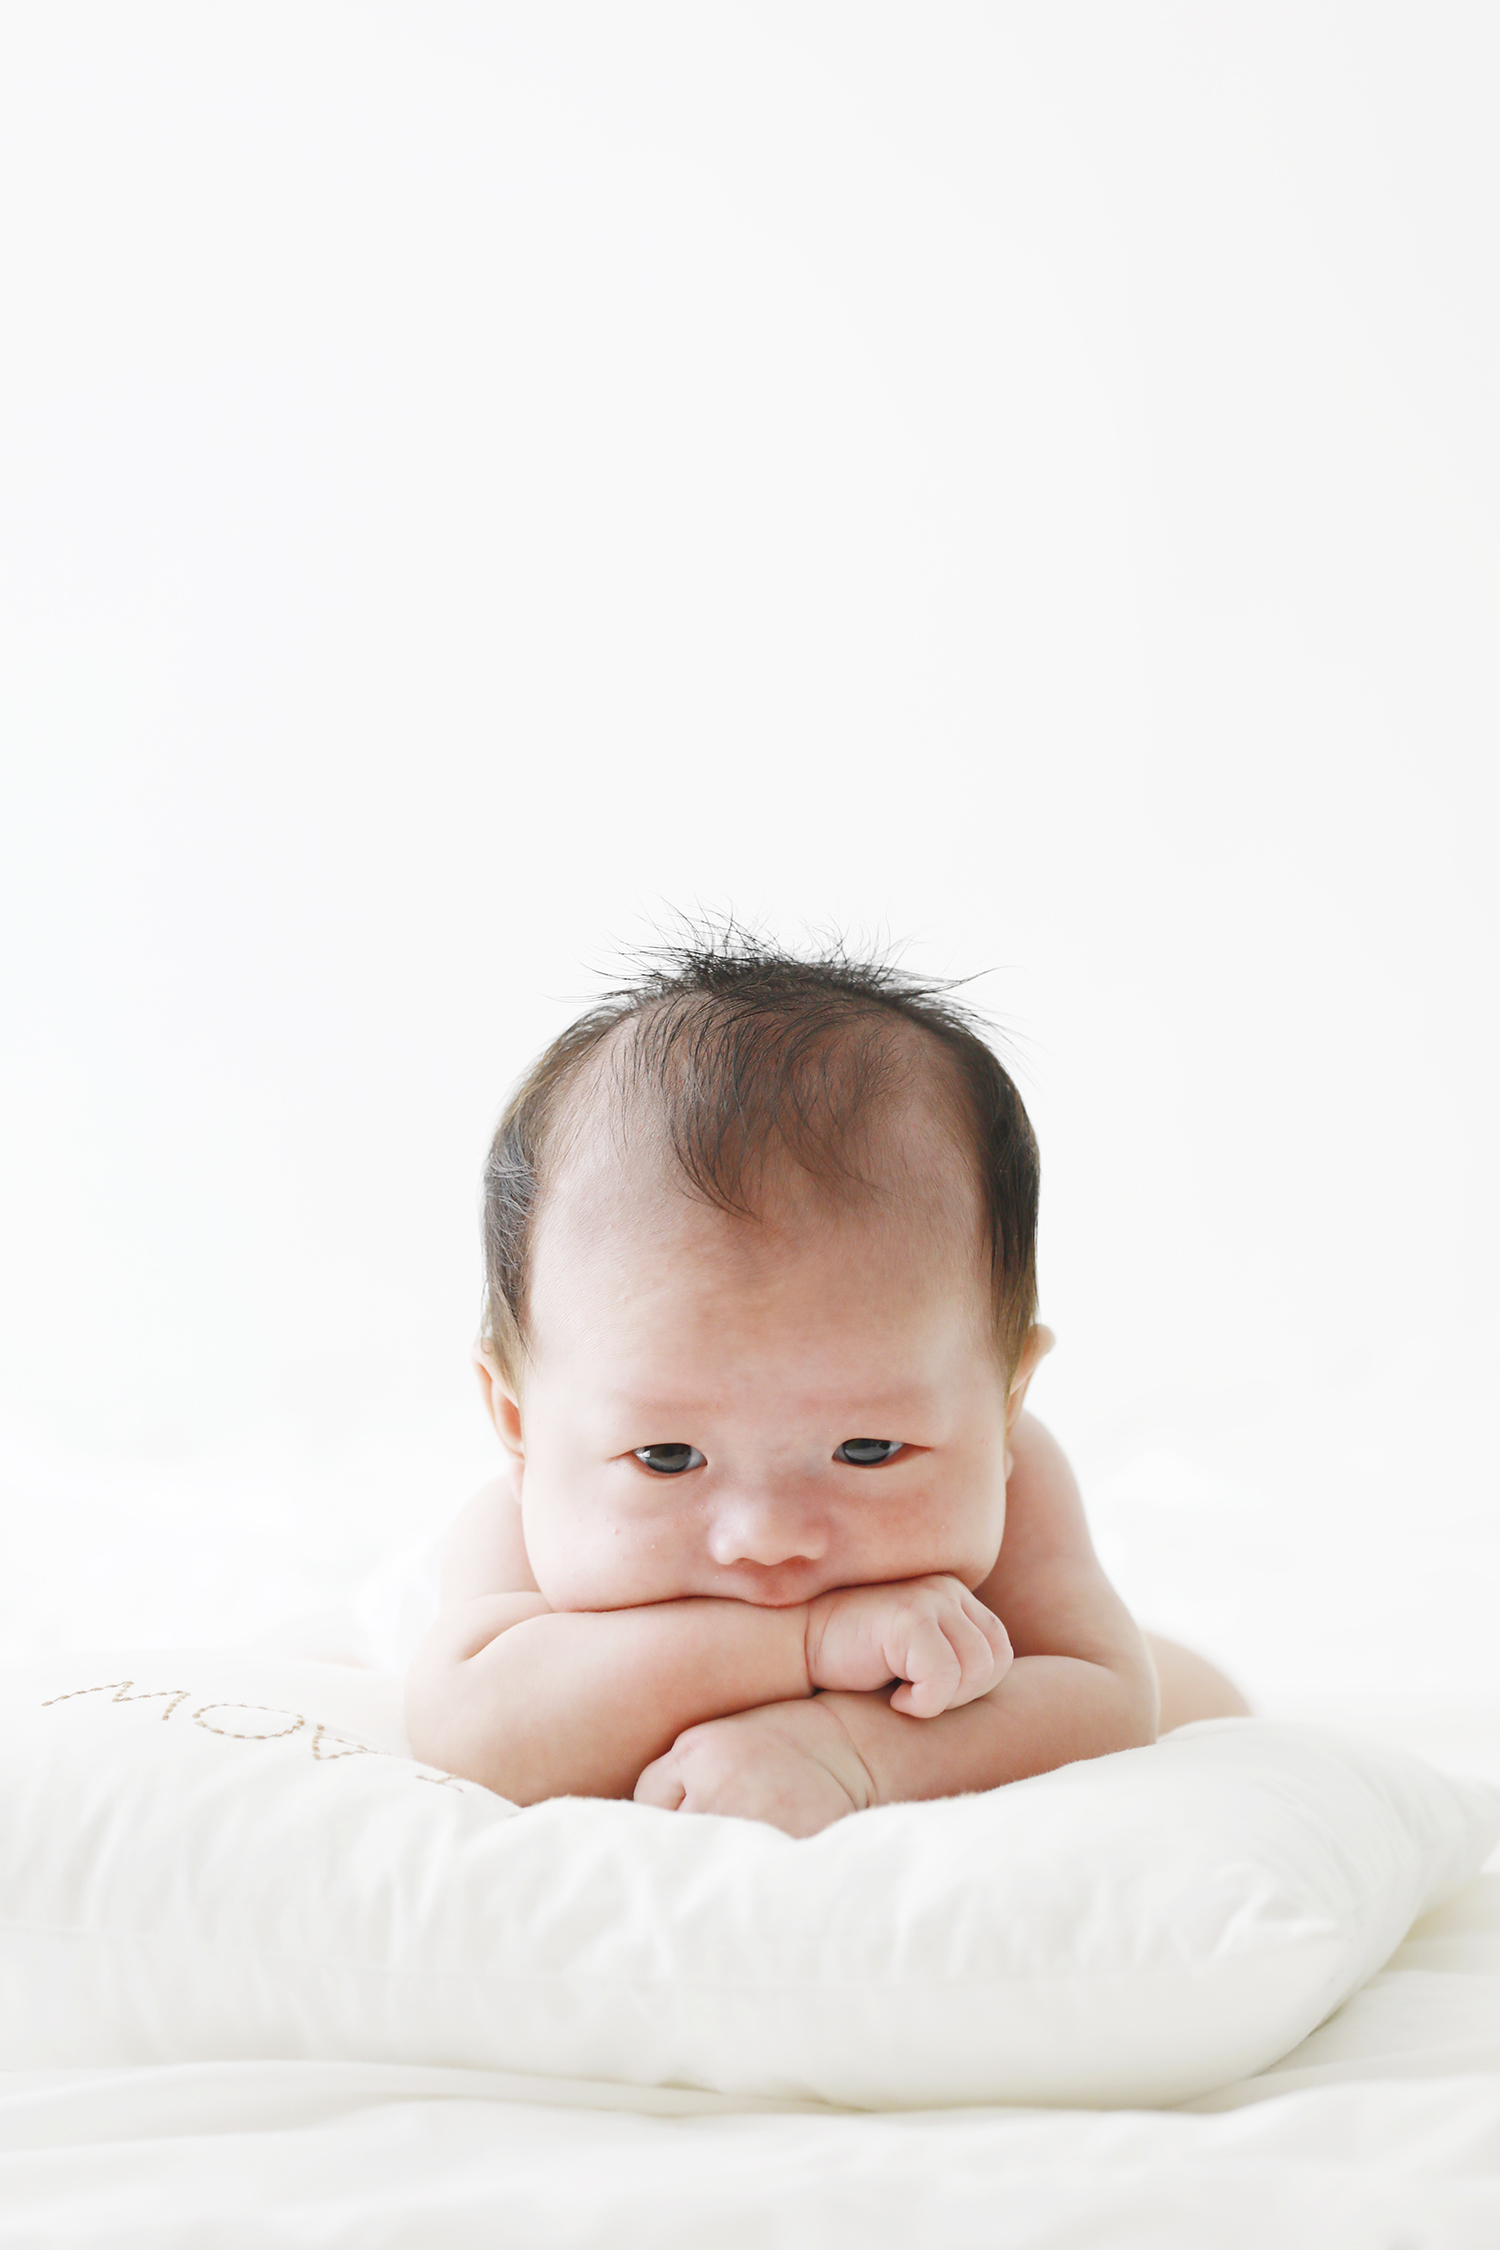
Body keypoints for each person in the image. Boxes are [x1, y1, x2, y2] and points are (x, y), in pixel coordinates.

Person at [405, 932, 1248, 1835]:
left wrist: (849, 1754)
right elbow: (472, 1737)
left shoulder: (1022, 1477)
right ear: (520, 1427)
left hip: (1105, 1674)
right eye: (666, 1456)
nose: (767, 1537)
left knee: (1207, 1701)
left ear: (1003, 1409)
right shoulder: (516, 1533)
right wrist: (812, 1644)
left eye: (868, 1450)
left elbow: (1108, 1703)